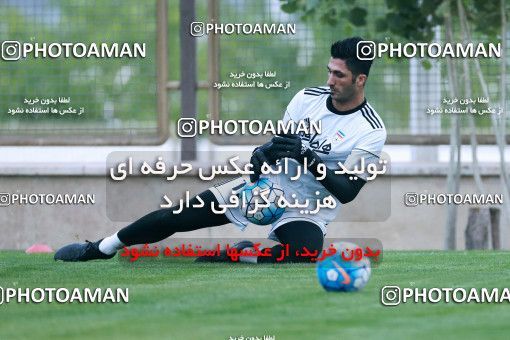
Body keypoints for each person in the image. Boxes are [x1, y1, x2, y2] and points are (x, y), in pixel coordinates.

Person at [54, 37, 386, 264]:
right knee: (179, 215)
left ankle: (239, 253)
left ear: (360, 80)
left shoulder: (371, 130)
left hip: (308, 208)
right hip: (267, 189)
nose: (330, 80)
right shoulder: (307, 99)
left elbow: (347, 191)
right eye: (329, 71)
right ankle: (101, 247)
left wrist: (308, 158)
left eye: (339, 75)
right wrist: (263, 153)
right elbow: (280, 144)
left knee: (304, 254)